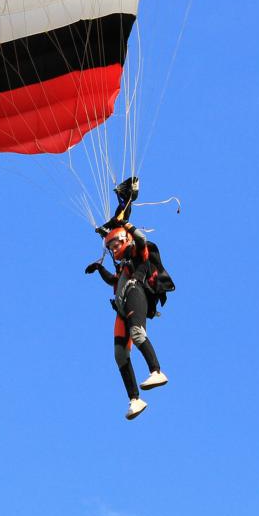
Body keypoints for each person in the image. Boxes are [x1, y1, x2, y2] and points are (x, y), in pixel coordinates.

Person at [85, 179, 171, 420]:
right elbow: (113, 281)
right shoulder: (122, 269)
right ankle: (135, 399)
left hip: (136, 294)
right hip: (121, 307)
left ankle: (156, 371)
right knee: (119, 354)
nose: (113, 249)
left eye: (115, 243)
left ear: (125, 240)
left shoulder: (139, 256)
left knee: (137, 333)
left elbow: (141, 240)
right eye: (110, 246)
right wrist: (98, 268)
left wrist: (126, 224)